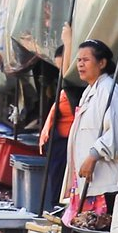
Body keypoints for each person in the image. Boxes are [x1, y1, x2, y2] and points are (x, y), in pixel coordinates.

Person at [60, 38, 118, 233]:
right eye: (78, 60)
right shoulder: (90, 92)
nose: (80, 64)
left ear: (102, 63)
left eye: (86, 60)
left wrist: (93, 155)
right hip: (87, 185)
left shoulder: (109, 91)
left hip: (106, 184)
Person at [39, 24, 76, 208]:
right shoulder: (64, 89)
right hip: (59, 143)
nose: (61, 72)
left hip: (67, 142)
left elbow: (69, 75)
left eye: (63, 66)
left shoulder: (73, 84)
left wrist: (68, 42)